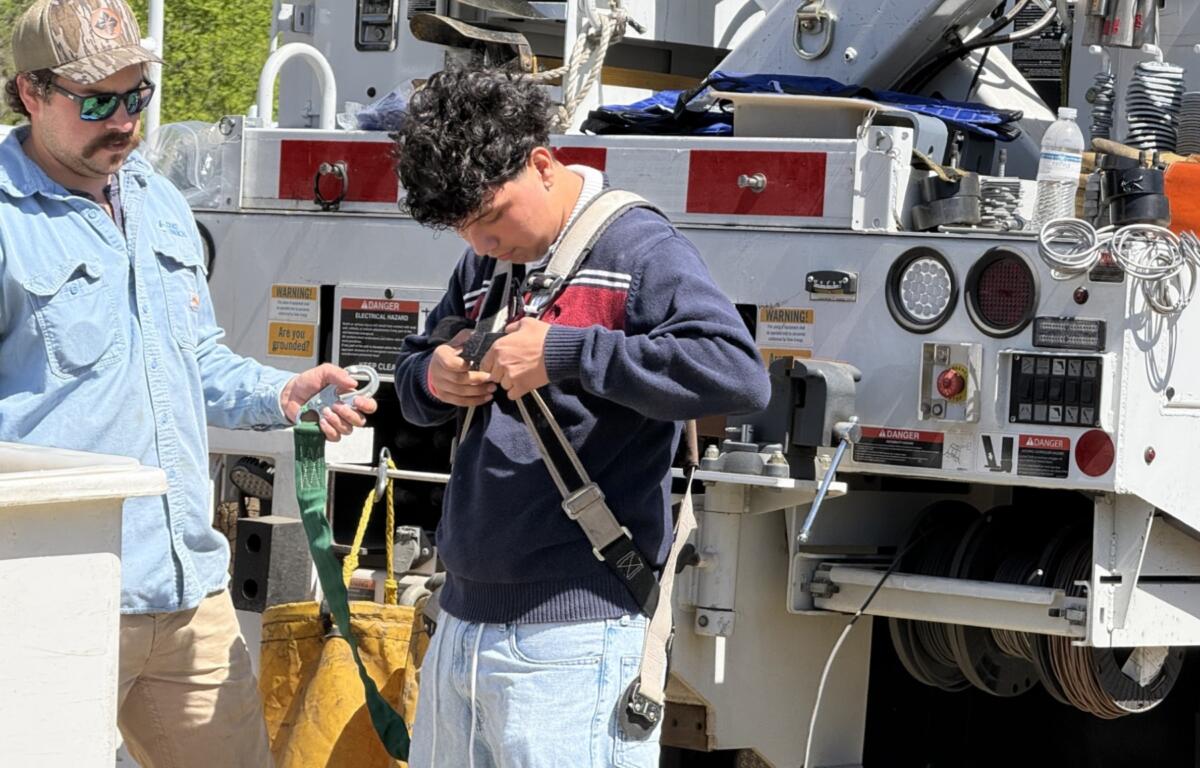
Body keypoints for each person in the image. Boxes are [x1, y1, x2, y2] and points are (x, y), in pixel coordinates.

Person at [0, 1, 377, 765]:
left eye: (136, 95)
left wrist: (282, 394)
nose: (125, 120)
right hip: (48, 596)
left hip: (187, 589)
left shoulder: (159, 203)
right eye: (98, 101)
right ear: (29, 93)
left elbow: (194, 358)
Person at [393, 65, 771, 767]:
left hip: (576, 632)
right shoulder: (487, 267)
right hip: (463, 621)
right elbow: (413, 373)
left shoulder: (639, 249)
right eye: (462, 230)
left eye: (489, 218)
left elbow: (736, 373)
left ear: (542, 164)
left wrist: (565, 353)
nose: (479, 245)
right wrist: (433, 377)